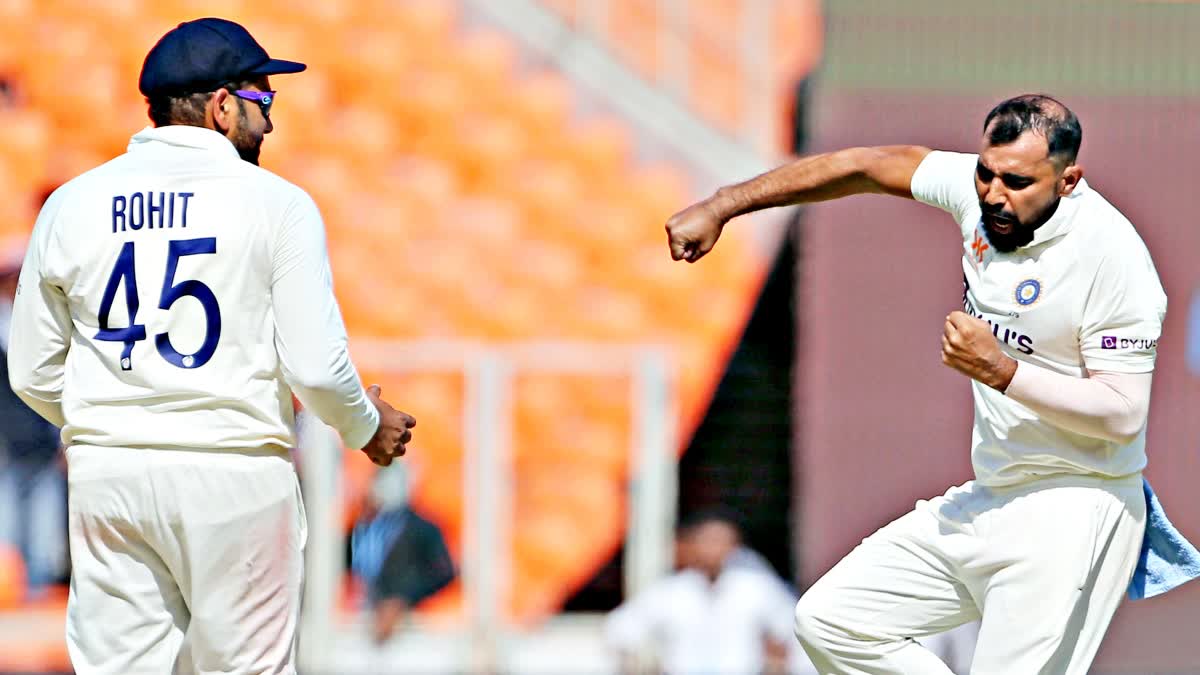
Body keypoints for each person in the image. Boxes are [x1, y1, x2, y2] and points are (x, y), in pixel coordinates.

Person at [665, 94, 1182, 673]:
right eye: (986, 173)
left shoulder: (1114, 257)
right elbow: (865, 165)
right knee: (834, 621)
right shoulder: (977, 192)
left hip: (1075, 503)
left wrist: (1001, 371)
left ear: (1068, 180)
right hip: (991, 493)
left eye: (1016, 182)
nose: (992, 194)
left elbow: (1123, 412)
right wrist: (723, 204)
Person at [7, 18, 416, 674]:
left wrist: (120, 419)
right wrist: (365, 425)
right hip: (234, 475)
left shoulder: (71, 204)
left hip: (109, 477)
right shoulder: (277, 205)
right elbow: (314, 365)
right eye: (264, 101)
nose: (270, 124)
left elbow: (30, 369)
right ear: (223, 106)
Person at [604, 508, 801, 675]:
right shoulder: (671, 591)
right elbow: (621, 630)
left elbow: (794, 630)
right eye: (708, 541)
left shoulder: (756, 588)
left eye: (722, 542)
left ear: (735, 546)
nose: (714, 549)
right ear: (693, 545)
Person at [0, 235, 67, 595]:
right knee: (9, 533)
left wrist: (59, 432)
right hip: (8, 444)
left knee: (43, 534)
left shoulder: (42, 324)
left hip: (41, 442)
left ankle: (37, 593)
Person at [350, 462, 456, 645]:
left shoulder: (424, 529)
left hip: (413, 629)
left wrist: (403, 600)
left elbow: (444, 572)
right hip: (364, 621)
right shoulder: (365, 527)